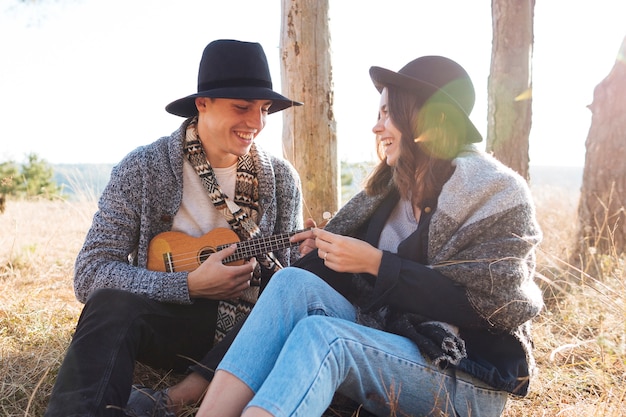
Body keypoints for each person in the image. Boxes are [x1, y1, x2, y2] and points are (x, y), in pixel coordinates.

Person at [193, 55, 544, 417]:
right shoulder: (386, 192)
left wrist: (376, 263)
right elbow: (319, 285)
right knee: (290, 283)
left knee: (325, 335)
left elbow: (495, 308)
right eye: (379, 116)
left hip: (466, 376)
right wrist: (325, 257)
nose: (378, 128)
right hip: (395, 342)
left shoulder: (496, 193)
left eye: (388, 113)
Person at [44, 39, 310, 417]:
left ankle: (181, 396)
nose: (256, 122)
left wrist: (305, 258)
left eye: (264, 109)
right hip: (168, 320)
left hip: (248, 335)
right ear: (203, 104)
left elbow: (286, 283)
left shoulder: (282, 179)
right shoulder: (142, 169)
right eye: (242, 106)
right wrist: (187, 286)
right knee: (109, 304)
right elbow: (90, 274)